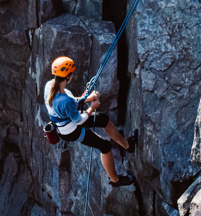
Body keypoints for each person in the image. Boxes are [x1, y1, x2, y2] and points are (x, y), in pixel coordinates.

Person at [46, 56, 137, 187]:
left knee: (104, 119)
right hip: (71, 130)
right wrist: (91, 108)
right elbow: (78, 120)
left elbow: (71, 101)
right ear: (68, 76)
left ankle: (127, 146)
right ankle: (116, 180)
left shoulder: (50, 86)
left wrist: (87, 98)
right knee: (105, 146)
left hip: (66, 121)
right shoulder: (64, 100)